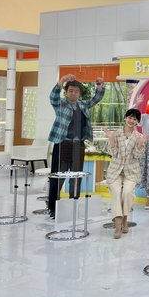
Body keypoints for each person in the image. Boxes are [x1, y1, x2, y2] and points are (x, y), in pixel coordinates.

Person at [47, 74, 105, 219]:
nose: (73, 93)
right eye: (71, 90)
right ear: (66, 92)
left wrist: (99, 87)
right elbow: (53, 96)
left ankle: (73, 204)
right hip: (62, 144)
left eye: (76, 91)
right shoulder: (60, 103)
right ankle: (53, 207)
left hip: (78, 146)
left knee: (76, 176)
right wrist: (61, 81)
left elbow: (96, 99)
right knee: (58, 176)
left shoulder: (82, 105)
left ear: (79, 93)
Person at [103, 109, 149, 239]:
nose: (131, 121)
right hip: (115, 171)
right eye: (130, 117)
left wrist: (140, 144)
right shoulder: (116, 133)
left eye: (134, 119)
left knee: (127, 192)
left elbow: (137, 156)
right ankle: (118, 226)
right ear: (125, 118)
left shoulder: (138, 136)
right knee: (116, 193)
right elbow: (112, 153)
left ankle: (125, 218)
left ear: (137, 122)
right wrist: (111, 139)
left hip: (131, 171)